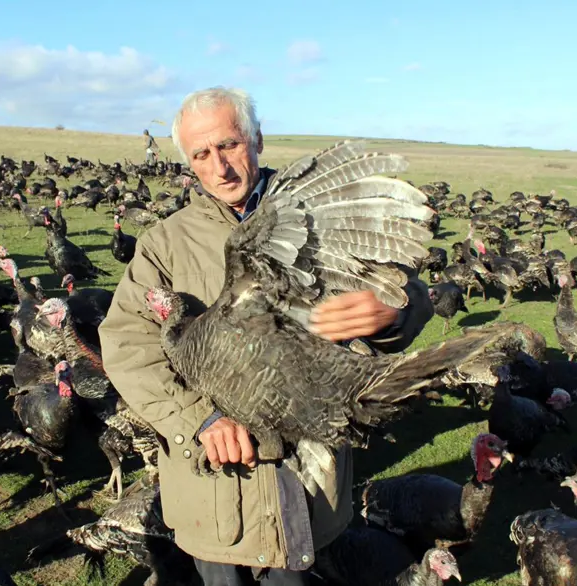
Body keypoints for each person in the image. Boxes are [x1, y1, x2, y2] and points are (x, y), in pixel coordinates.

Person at [99, 87, 434, 585]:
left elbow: (407, 289)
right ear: (188, 162)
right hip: (218, 495)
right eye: (202, 154)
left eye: (229, 145)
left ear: (257, 138)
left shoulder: (309, 209)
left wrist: (391, 310)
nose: (220, 167)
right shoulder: (164, 245)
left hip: (309, 486)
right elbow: (127, 345)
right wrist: (201, 417)